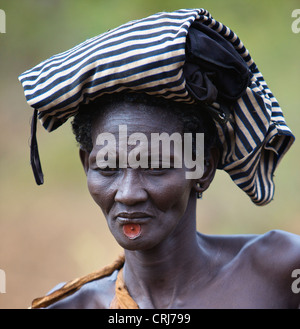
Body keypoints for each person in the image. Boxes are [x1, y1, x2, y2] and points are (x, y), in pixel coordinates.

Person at [19, 8, 299, 309]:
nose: (128, 194)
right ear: (86, 164)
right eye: (108, 167)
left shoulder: (278, 273)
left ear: (203, 168)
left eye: (155, 167)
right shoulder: (71, 307)